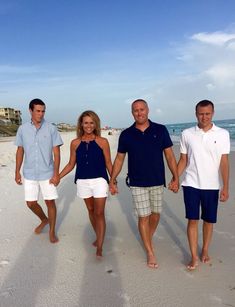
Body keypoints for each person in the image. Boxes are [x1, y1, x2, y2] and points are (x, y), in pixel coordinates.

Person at [109, 99, 179, 269]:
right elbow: (119, 159)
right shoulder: (126, 134)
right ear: (132, 113)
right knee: (143, 216)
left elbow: (169, 156)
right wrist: (112, 179)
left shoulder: (160, 130)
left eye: (142, 109)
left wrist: (176, 177)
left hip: (157, 180)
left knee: (156, 214)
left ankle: (147, 237)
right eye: (135, 110)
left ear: (148, 110)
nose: (139, 113)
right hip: (137, 182)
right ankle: (149, 251)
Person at [177, 99, 230, 270]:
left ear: (212, 113)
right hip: (191, 183)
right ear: (196, 114)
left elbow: (224, 162)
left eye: (207, 113)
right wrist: (175, 178)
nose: (204, 117)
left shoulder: (222, 134)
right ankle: (194, 256)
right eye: (201, 113)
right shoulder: (187, 133)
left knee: (208, 221)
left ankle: (205, 249)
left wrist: (226, 187)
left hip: (212, 186)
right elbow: (183, 160)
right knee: (192, 219)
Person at [59, 110, 112, 258]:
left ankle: (100, 246)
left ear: (96, 124)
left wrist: (113, 181)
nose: (89, 125)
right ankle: (98, 235)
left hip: (100, 180)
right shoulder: (75, 143)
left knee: (99, 212)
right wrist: (58, 176)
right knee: (90, 210)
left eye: (91, 122)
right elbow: (71, 164)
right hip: (82, 180)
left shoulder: (103, 142)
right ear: (81, 125)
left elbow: (108, 163)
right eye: (86, 122)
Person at [15, 98, 63, 243]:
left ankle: (52, 231)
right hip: (29, 173)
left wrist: (56, 174)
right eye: (38, 111)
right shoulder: (22, 129)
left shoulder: (51, 128)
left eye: (43, 111)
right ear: (30, 111)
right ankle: (44, 219)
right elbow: (20, 150)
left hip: (47, 173)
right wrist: (17, 171)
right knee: (30, 203)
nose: (41, 114)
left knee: (50, 202)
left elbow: (57, 153)